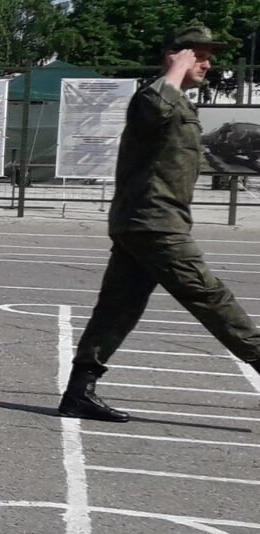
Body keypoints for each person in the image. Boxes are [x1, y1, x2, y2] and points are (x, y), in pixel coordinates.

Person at [62, 24, 260, 420]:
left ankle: (79, 391)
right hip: (153, 222)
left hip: (150, 221)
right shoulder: (151, 98)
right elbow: (153, 109)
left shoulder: (180, 103)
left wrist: (178, 74)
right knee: (210, 296)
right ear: (177, 55)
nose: (207, 62)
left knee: (117, 308)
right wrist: (173, 71)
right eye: (198, 55)